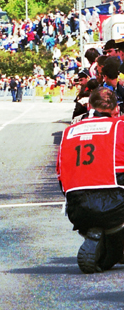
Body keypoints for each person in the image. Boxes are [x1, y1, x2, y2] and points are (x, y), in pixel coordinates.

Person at [57, 87, 124, 274]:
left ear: (89, 106)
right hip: (114, 206)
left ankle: (96, 233)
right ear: (116, 109)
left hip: (78, 209)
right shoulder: (120, 126)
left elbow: (60, 176)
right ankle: (113, 240)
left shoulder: (69, 132)